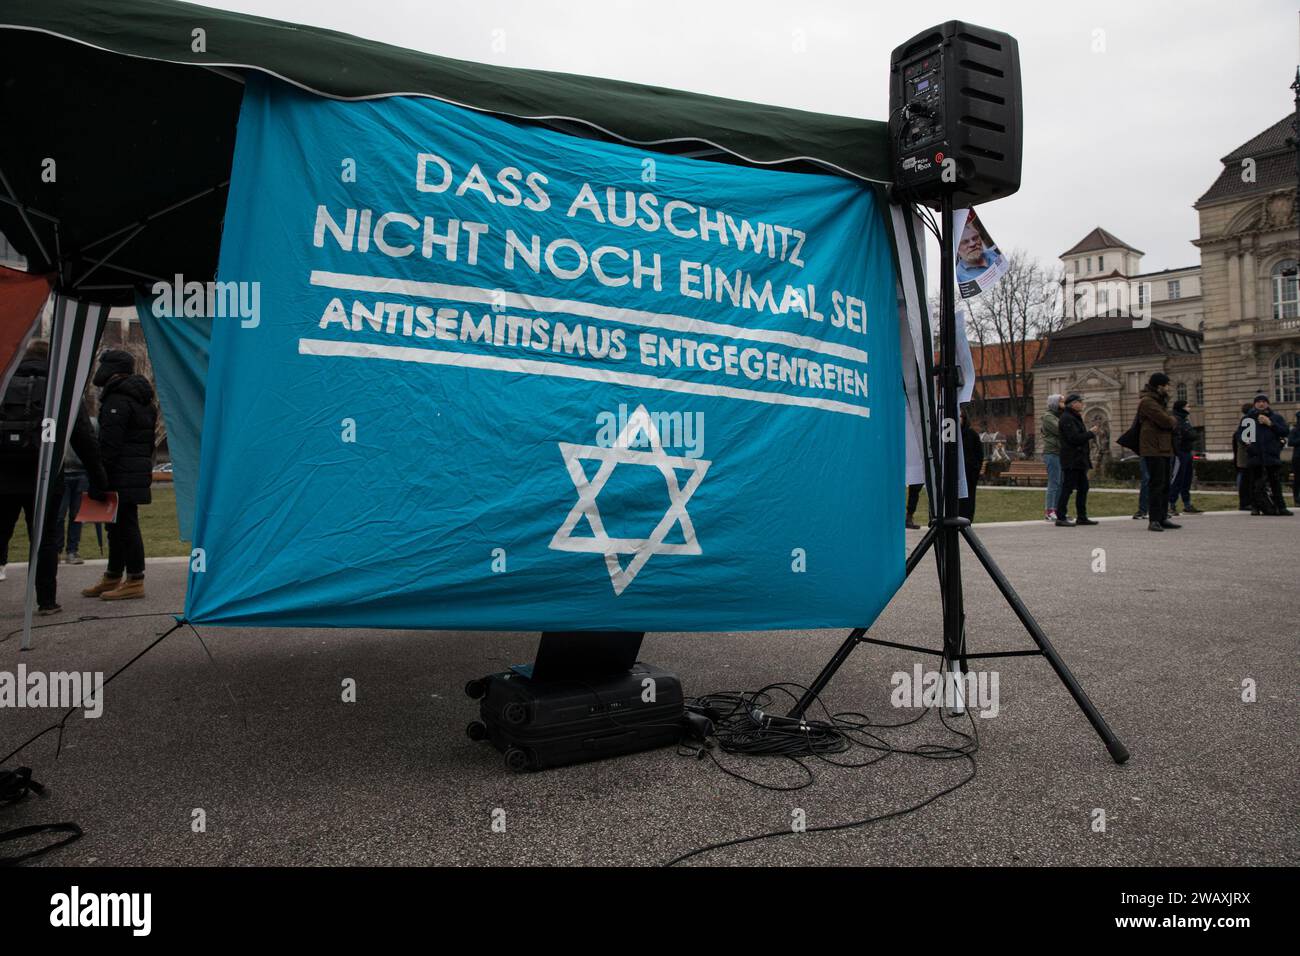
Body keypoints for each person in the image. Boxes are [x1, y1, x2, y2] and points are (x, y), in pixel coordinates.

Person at [0, 340, 107, 614]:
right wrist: (98, 476)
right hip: (45, 474)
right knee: (45, 537)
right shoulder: (60, 388)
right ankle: (46, 600)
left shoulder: (4, 379)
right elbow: (83, 437)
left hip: (5, 473)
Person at [81, 349, 158, 601]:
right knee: (117, 525)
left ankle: (135, 578)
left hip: (120, 473)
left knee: (125, 526)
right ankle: (114, 574)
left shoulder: (118, 400)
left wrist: (99, 476)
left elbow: (109, 445)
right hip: (133, 471)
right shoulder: (141, 399)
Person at [1234, 393, 1292, 517]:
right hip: (1255, 456)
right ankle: (1255, 507)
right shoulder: (1248, 419)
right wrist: (1249, 446)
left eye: (1264, 401)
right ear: (1255, 404)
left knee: (1275, 483)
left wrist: (1270, 423)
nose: (1261, 403)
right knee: (1254, 483)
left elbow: (1285, 431)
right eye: (1258, 401)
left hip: (1271, 455)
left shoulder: (1276, 417)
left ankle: (1281, 507)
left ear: (1267, 403)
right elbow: (1241, 436)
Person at [1137, 372, 1180, 532]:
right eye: (1167, 385)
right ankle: (1154, 519)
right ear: (1159, 386)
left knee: (1164, 485)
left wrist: (1170, 420)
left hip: (1163, 447)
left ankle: (1162, 517)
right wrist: (1172, 420)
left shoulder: (1158, 401)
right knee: (1157, 484)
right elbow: (1166, 420)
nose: (1169, 388)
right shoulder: (1148, 402)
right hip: (1153, 448)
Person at [1055, 394, 1098, 527]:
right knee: (1067, 488)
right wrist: (1090, 433)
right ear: (1073, 404)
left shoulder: (1074, 417)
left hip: (1079, 460)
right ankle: (1061, 517)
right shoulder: (1067, 418)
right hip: (1072, 460)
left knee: (1083, 487)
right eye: (1079, 402)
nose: (1081, 404)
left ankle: (1082, 516)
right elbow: (1074, 438)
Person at [1167, 399, 1202, 515]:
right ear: (1181, 408)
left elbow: (1192, 434)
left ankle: (1187, 504)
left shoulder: (1185, 420)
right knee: (1177, 479)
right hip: (1179, 453)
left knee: (1187, 479)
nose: (1189, 408)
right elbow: (1185, 435)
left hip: (1186, 452)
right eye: (1187, 406)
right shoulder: (1175, 419)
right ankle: (1171, 505)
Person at [1040, 393, 1063, 522]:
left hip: (1059, 452)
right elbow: (1061, 429)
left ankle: (1058, 510)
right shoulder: (1049, 417)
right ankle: (1050, 510)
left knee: (1060, 483)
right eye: (1061, 402)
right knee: (1054, 482)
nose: (1063, 405)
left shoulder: (1057, 416)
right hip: (1052, 453)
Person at [959, 409, 983, 521]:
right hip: (955, 474)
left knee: (968, 499)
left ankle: (967, 519)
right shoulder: (949, 435)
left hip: (969, 474)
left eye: (960, 417)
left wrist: (975, 470)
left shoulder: (972, 435)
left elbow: (979, 454)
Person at [1233, 402, 1253, 511]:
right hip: (1247, 455)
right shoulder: (1248, 421)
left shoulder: (1246, 420)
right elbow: (1246, 439)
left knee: (1245, 478)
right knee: (1246, 479)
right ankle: (1245, 502)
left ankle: (1246, 502)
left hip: (1244, 455)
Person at [1289, 410, 1300, 508]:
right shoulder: (1295, 430)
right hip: (1298, 457)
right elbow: (1291, 442)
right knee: (1297, 479)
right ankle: (1297, 499)